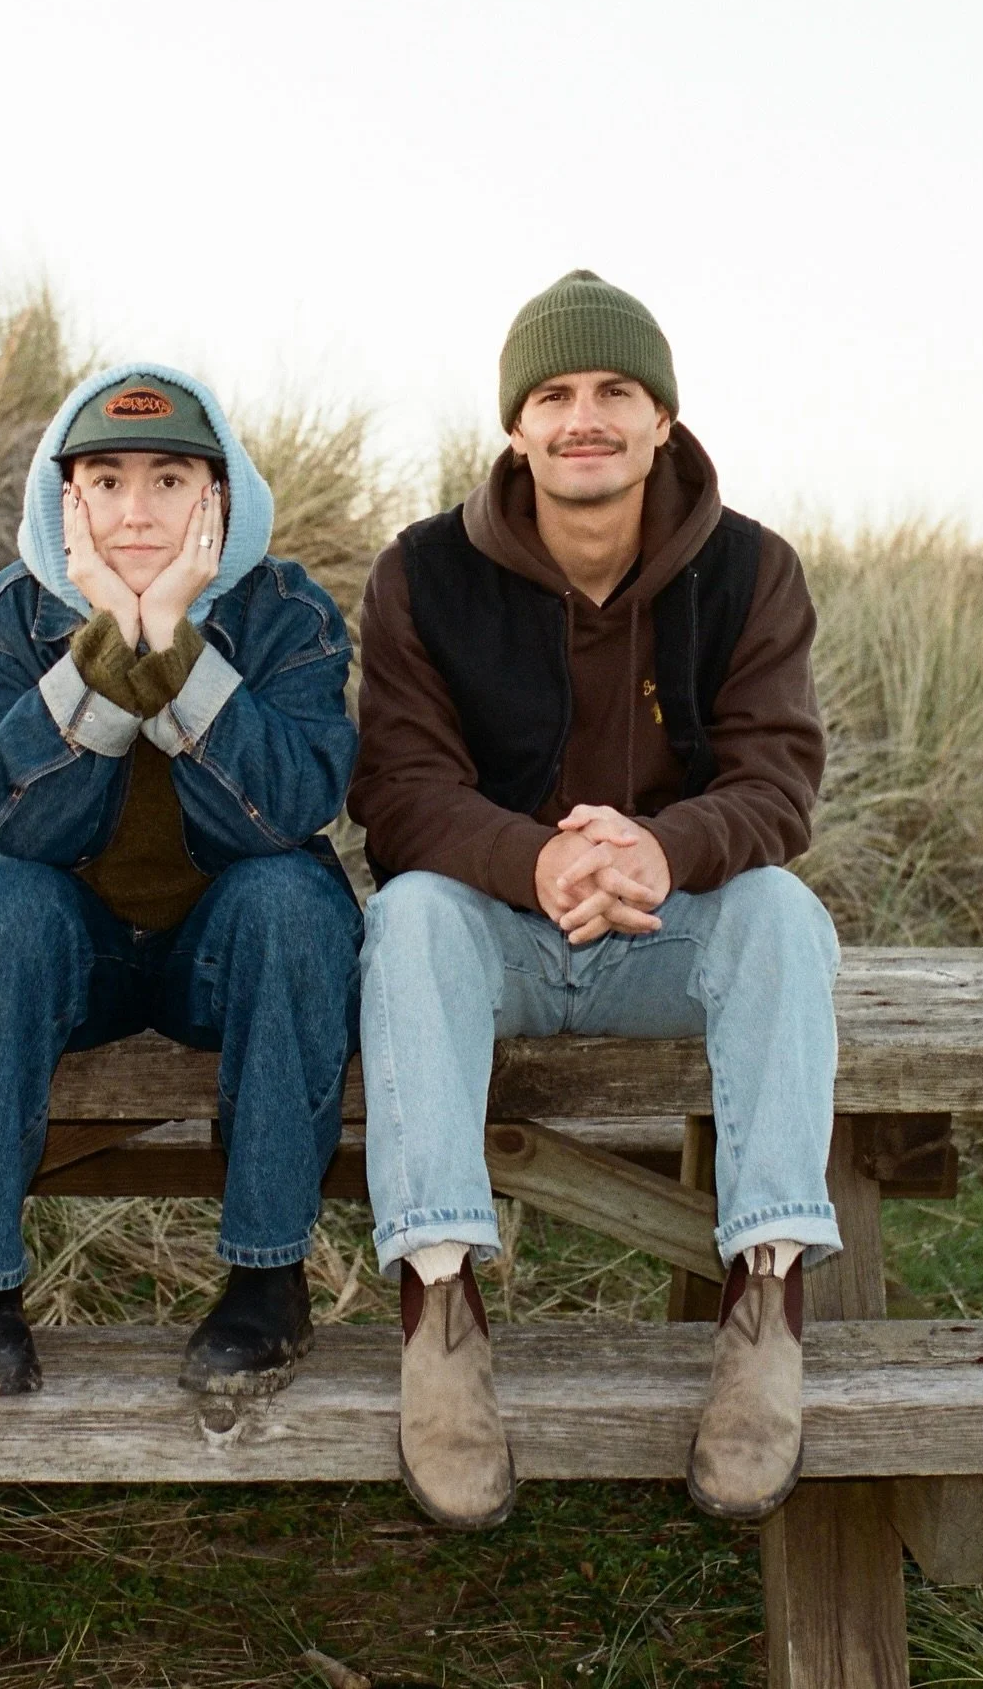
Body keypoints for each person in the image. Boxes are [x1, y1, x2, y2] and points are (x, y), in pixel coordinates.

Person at [349, 271, 841, 1529]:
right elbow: (398, 791)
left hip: (666, 936)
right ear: (516, 424)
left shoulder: (752, 571)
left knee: (785, 911)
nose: (586, 416)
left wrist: (659, 851)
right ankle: (442, 1311)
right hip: (495, 936)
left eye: (616, 391)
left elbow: (778, 781)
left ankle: (768, 1300)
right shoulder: (422, 573)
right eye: (555, 394)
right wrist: (539, 861)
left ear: (662, 419)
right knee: (405, 914)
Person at [0, 366, 362, 1398]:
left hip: (218, 959)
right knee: (0, 903)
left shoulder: (288, 614)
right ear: (68, 499)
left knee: (290, 900)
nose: (135, 509)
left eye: (169, 478)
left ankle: (266, 1277)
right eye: (105, 479)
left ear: (218, 496)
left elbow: (285, 805)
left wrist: (179, 647)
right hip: (75, 951)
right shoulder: (8, 617)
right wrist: (105, 647)